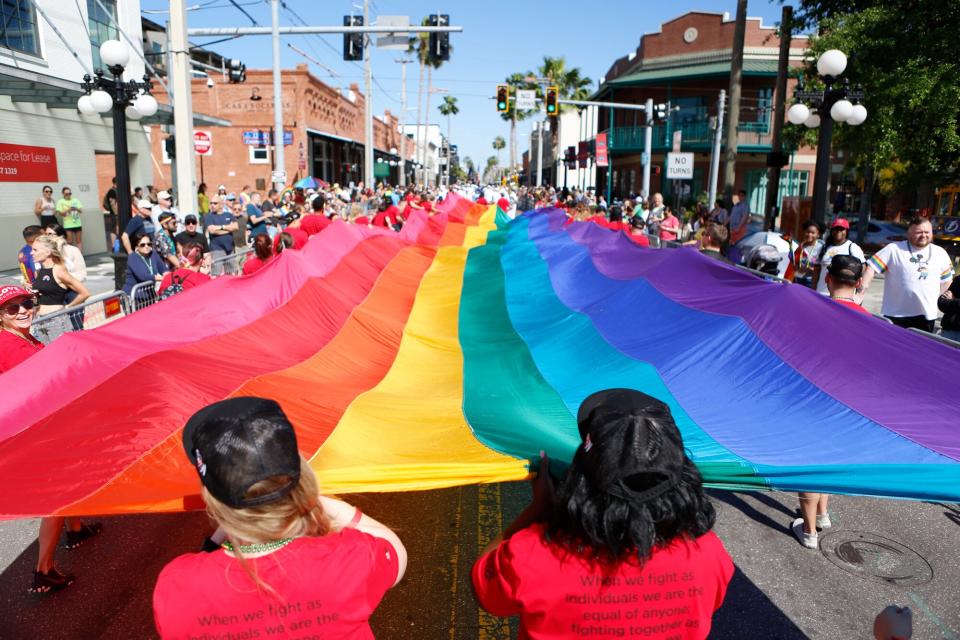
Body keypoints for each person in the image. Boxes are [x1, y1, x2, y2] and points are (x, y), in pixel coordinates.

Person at [472, 388, 733, 639]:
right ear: (684, 478)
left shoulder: (533, 554)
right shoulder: (710, 554)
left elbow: (484, 590)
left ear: (580, 479)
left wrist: (537, 510)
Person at [153, 397, 406, 639]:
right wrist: (315, 500)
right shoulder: (351, 559)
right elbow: (394, 550)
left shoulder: (176, 585)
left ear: (214, 501)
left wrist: (218, 537)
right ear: (301, 479)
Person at [0, 285, 103, 593]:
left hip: (42, 424)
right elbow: (41, 384)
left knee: (67, 483)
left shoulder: (21, 336)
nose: (22, 310)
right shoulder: (10, 345)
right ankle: (43, 569)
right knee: (59, 493)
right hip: (36, 430)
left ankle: (75, 528)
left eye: (26, 303)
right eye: (12, 308)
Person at [859, 217, 953, 332]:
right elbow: (871, 268)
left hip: (927, 316)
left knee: (919, 349)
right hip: (896, 315)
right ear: (909, 233)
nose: (923, 235)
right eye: (919, 232)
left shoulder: (940, 253)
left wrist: (948, 306)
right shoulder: (894, 249)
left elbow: (946, 282)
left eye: (927, 232)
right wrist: (860, 293)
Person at [30, 235, 90, 316]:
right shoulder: (39, 270)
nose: (31, 253)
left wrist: (67, 307)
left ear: (48, 252)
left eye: (35, 250)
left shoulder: (58, 270)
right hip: (40, 320)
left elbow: (85, 293)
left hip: (57, 320)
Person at [813, 218, 865, 295]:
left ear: (847, 231)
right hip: (822, 292)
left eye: (842, 229)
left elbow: (862, 267)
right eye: (836, 229)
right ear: (831, 231)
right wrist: (814, 288)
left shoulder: (852, 247)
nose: (838, 231)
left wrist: (858, 286)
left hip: (842, 294)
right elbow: (816, 270)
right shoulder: (824, 247)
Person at [123, 231, 169, 296]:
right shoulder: (133, 257)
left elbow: (164, 269)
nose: (146, 246)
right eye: (142, 245)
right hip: (133, 296)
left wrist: (169, 275)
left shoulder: (153, 254)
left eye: (149, 244)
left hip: (149, 295)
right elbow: (143, 276)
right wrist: (160, 278)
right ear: (136, 247)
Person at [205, 200, 238, 277]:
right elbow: (212, 230)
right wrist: (229, 229)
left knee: (232, 273)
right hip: (217, 249)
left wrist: (221, 227)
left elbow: (236, 227)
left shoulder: (229, 215)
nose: (212, 205)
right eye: (211, 203)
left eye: (215, 203)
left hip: (230, 249)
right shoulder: (209, 216)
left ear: (221, 205)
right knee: (216, 274)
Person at [786, 220, 823, 287]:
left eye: (813, 233)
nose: (809, 234)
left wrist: (810, 269)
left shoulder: (820, 248)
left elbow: (822, 268)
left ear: (818, 235)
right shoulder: (801, 247)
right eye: (807, 232)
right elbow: (794, 264)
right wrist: (796, 267)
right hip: (797, 279)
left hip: (810, 281)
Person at [55, 186, 84, 252]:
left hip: (77, 223)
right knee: (69, 241)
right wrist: (69, 209)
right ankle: (71, 255)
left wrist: (76, 208)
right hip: (68, 224)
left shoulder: (75, 200)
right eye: (66, 194)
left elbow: (81, 211)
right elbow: (60, 213)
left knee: (79, 241)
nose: (68, 195)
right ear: (63, 194)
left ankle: (79, 255)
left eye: (70, 193)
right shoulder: (60, 201)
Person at [102, 176, 119, 249]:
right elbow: (112, 203)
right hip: (115, 214)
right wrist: (116, 214)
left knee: (117, 230)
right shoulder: (112, 191)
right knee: (114, 230)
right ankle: (114, 247)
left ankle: (116, 246)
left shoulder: (117, 190)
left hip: (116, 214)